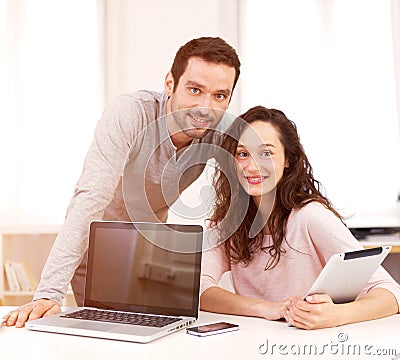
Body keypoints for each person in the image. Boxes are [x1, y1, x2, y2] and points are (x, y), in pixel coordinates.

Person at [4, 36, 241, 327]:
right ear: (170, 83)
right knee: (101, 335)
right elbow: (91, 197)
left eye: (219, 96)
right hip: (95, 252)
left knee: (158, 337)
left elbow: (261, 176)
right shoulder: (131, 113)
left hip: (148, 255)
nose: (205, 108)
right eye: (195, 90)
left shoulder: (218, 131)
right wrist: (49, 293)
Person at [200, 106, 400, 329]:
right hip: (253, 342)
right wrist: (266, 308)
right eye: (243, 154)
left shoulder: (310, 217)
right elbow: (199, 290)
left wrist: (337, 315)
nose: (252, 166)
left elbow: (391, 293)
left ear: (287, 160)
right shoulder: (227, 220)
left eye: (266, 153)